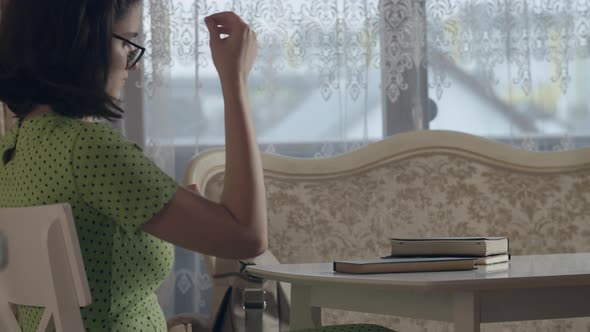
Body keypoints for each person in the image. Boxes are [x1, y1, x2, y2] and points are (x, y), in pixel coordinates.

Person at [0, 1, 394, 331]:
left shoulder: (14, 150)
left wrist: (174, 208)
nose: (133, 65)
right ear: (80, 42)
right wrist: (234, 80)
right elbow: (247, 236)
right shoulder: (87, 148)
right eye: (128, 43)